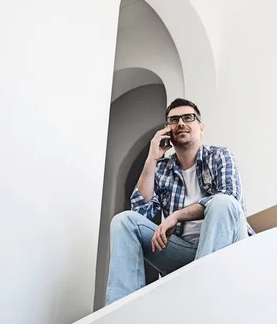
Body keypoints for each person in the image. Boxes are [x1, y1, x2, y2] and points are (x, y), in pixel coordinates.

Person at [105, 98, 254, 305]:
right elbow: (140, 214)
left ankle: (201, 299)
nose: (181, 123)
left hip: (226, 246)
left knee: (222, 203)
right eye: (174, 120)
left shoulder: (219, 156)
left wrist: (176, 216)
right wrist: (152, 158)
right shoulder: (162, 169)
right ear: (168, 131)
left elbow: (231, 199)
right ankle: (120, 309)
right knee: (123, 221)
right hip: (184, 255)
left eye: (188, 118)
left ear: (200, 127)